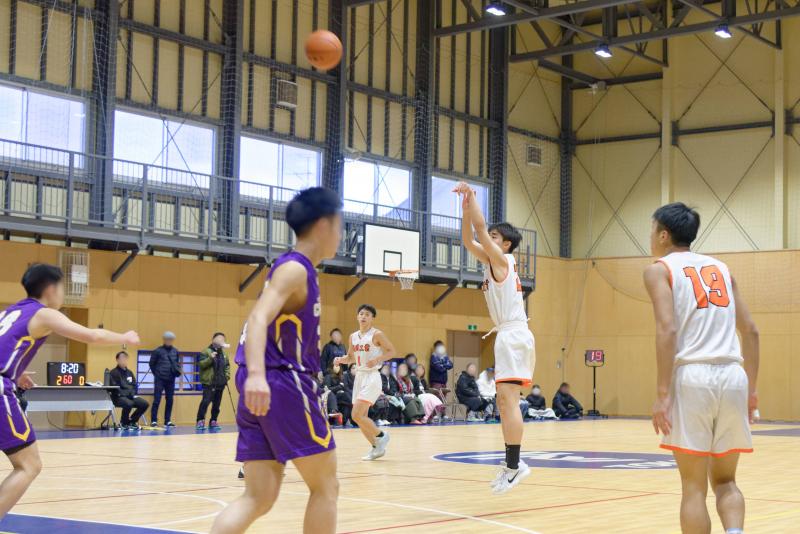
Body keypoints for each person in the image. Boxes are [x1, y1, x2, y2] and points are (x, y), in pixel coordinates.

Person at [210, 187, 343, 534]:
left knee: (259, 496)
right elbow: (257, 317)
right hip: (283, 381)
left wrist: (255, 376)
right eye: (340, 224)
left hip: (263, 382)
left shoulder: (293, 268)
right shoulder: (295, 269)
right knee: (326, 486)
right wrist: (258, 375)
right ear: (324, 225)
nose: (341, 234)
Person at [644, 202, 759, 534]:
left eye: (652, 230)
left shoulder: (659, 270)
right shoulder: (723, 269)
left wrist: (662, 395)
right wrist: (752, 391)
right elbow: (751, 331)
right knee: (726, 480)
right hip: (733, 375)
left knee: (693, 487)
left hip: (693, 376)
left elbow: (667, 329)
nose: (650, 237)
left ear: (664, 235)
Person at [0, 263, 139, 519]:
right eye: (62, 287)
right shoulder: (44, 314)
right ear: (51, 289)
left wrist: (16, 373)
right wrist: (124, 337)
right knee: (29, 465)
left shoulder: (11, 312)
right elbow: (93, 336)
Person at [455, 181, 536, 494]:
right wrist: (465, 210)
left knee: (508, 401)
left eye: (495, 237)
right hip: (507, 335)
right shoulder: (492, 262)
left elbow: (478, 229)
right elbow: (468, 237)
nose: (488, 239)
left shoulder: (503, 261)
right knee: (504, 402)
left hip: (514, 334)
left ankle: (515, 466)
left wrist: (472, 197)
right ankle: (513, 465)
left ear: (506, 245)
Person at [333, 304, 396, 461]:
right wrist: (340, 360)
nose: (363, 316)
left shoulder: (377, 334)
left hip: (372, 377)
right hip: (359, 377)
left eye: (367, 314)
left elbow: (392, 351)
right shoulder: (353, 336)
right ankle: (376, 448)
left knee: (356, 415)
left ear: (372, 318)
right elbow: (351, 358)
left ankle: (381, 436)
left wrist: (377, 359)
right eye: (361, 313)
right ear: (357, 316)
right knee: (361, 418)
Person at [196, 332, 231, 430]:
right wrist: (210, 358)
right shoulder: (206, 351)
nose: (221, 340)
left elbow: (227, 366)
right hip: (209, 382)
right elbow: (201, 364)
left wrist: (226, 376)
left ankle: (213, 420)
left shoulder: (224, 354)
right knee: (205, 402)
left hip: (220, 382)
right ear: (213, 339)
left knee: (217, 404)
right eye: (219, 338)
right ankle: (200, 420)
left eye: (223, 339)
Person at [109, 351, 149, 430]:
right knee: (129, 403)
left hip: (130, 396)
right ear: (117, 360)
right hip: (118, 397)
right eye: (122, 358)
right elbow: (115, 388)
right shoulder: (113, 373)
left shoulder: (129, 372)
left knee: (144, 404)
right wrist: (126, 394)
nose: (124, 360)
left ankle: (132, 421)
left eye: (125, 358)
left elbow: (134, 385)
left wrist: (132, 394)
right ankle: (123, 422)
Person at [149, 331, 180, 428]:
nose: (169, 341)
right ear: (164, 340)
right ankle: (154, 420)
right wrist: (157, 374)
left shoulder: (175, 351)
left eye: (171, 339)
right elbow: (151, 364)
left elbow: (176, 363)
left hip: (171, 379)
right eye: (168, 339)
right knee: (157, 400)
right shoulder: (157, 351)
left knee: (170, 400)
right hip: (160, 379)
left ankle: (167, 420)